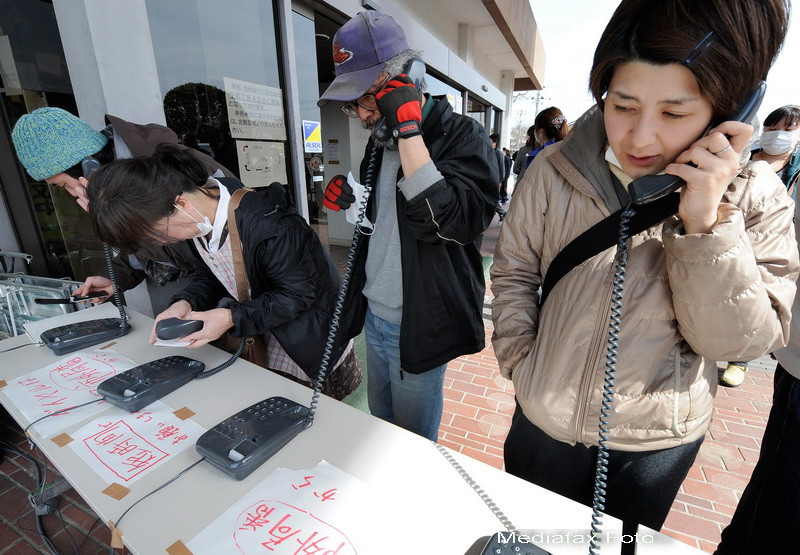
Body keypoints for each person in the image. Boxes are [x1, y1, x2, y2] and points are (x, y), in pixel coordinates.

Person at [491, 0, 796, 536]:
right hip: (543, 422)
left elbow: (738, 343)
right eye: (622, 105)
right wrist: (522, 361)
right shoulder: (555, 172)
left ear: (730, 113)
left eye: (674, 114)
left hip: (655, 444)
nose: (639, 138)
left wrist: (705, 222)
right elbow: (514, 272)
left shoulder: (756, 198)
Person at [318, 11, 499, 440]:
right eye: (353, 103)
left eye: (366, 99)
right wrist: (352, 200)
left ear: (408, 80)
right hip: (374, 312)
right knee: (379, 427)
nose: (360, 115)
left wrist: (410, 133)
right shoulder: (378, 147)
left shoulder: (463, 138)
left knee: (413, 442)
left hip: (418, 321)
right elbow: (382, 222)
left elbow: (451, 223)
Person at [85, 145, 361, 400]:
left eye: (157, 234)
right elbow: (211, 276)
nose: (161, 243)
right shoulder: (200, 224)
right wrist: (184, 303)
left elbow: (296, 296)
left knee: (316, 412)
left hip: (308, 336)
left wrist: (229, 317)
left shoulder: (271, 224)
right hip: (265, 328)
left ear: (181, 205)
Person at [10, 107, 235, 297]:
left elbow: (188, 252)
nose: (70, 192)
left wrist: (114, 221)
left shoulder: (162, 172)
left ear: (89, 167)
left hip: (234, 283)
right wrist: (114, 278)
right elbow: (147, 249)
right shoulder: (122, 181)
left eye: (63, 184)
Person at [720, 105, 800, 388]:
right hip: (732, 234)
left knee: (756, 299)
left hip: (771, 243)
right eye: (772, 127)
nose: (777, 135)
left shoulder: (797, 168)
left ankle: (739, 360)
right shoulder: (744, 156)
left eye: (788, 130)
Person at [490, 133, 508, 220]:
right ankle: (501, 214)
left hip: (495, 180)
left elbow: (502, 169)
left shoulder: (499, 153)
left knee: (492, 198)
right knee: (492, 198)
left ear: (495, 142)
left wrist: (500, 181)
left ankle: (503, 213)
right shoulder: (489, 151)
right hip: (489, 179)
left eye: (490, 141)